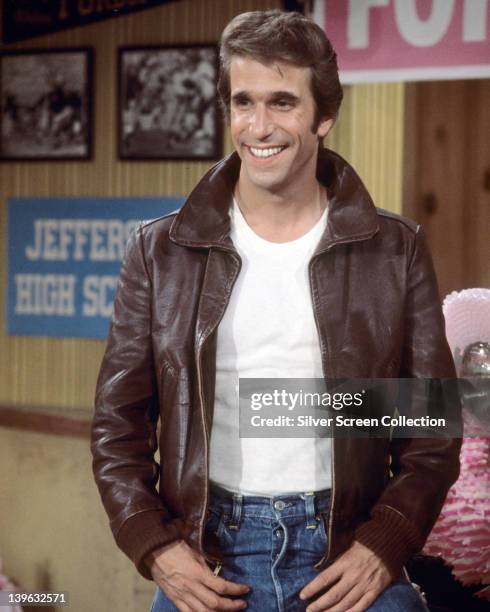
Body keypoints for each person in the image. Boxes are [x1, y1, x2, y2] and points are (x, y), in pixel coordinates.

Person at [91, 10, 462, 612]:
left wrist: (385, 541)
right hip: (209, 561)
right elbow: (117, 426)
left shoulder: (395, 249)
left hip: (348, 555)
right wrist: (153, 545)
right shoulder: (160, 251)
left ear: (324, 116)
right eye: (244, 102)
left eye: (283, 103)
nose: (259, 126)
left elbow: (431, 431)